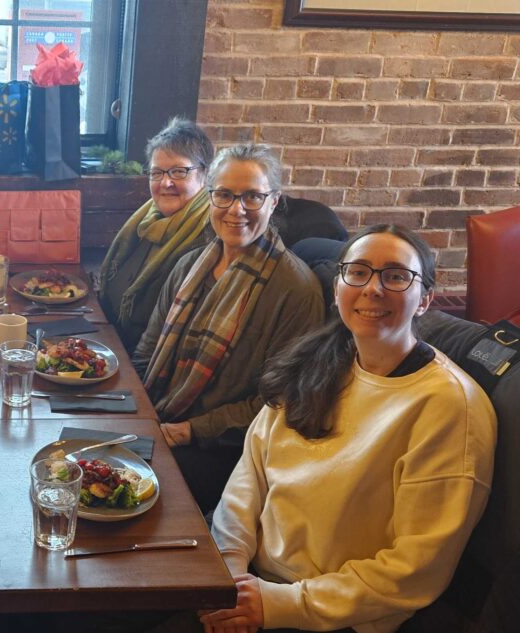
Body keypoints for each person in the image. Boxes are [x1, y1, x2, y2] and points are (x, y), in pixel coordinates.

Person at [203, 224, 496, 633]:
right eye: (357, 272)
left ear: (426, 299)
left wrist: (277, 604)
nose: (373, 288)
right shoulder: (318, 362)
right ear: (338, 287)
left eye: (395, 276)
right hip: (247, 583)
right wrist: (229, 570)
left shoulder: (449, 407)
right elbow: (249, 474)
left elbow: (415, 568)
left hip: (329, 615)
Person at [132, 143, 324, 512]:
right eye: (224, 195)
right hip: (162, 419)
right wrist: (135, 413)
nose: (237, 210)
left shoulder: (296, 290)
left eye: (252, 196)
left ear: (274, 201)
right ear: (210, 198)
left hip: (225, 454)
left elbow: (280, 405)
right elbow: (146, 351)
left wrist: (192, 430)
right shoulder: (189, 265)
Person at [99, 117, 215, 352]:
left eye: (179, 171)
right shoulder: (145, 222)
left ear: (205, 174)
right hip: (111, 346)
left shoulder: (207, 240)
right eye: (157, 173)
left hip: (143, 369)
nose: (166, 182)